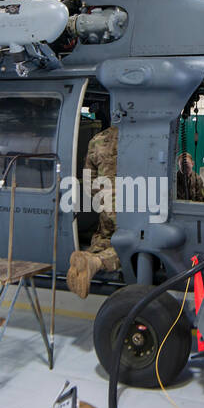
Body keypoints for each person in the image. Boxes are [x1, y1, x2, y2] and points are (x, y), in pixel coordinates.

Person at [66, 124, 119, 298]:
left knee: (104, 237)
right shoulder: (142, 138)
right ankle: (95, 262)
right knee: (128, 245)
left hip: (106, 205)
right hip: (136, 205)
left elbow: (89, 183)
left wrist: (105, 197)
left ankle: (86, 256)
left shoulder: (96, 140)